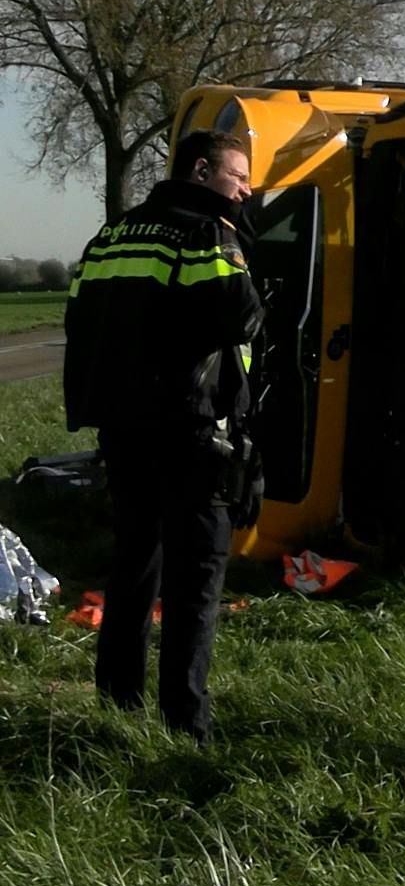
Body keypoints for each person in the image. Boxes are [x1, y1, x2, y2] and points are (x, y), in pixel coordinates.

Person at [65, 130, 262, 744]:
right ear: (202, 171)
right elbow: (243, 314)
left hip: (123, 428)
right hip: (190, 430)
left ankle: (118, 703)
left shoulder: (111, 236)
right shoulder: (208, 233)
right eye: (238, 176)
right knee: (195, 579)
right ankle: (187, 727)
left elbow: (80, 320)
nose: (246, 189)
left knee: (133, 565)